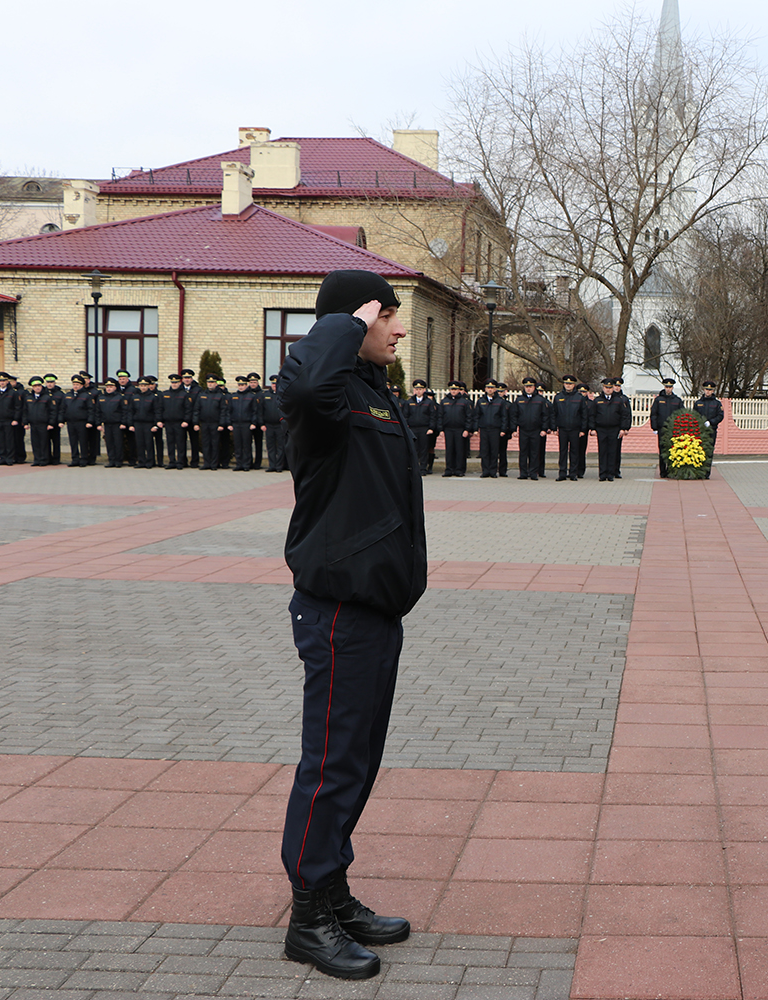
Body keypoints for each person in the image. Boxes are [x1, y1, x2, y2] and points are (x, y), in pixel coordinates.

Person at [277, 269, 425, 981]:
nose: (401, 329)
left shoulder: (370, 393)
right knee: (331, 765)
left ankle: (331, 892)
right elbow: (306, 384)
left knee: (356, 763)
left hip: (374, 609)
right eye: (388, 315)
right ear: (354, 321)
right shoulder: (324, 398)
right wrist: (342, 316)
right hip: (338, 608)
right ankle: (307, 919)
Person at [592, 377, 631, 482]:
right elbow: (592, 415)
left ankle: (610, 474)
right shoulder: (597, 401)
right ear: (603, 388)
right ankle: (602, 474)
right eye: (606, 387)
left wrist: (623, 428)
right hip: (601, 429)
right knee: (602, 451)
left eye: (610, 387)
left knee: (612, 452)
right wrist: (593, 428)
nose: (608, 389)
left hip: (614, 429)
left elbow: (624, 415)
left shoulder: (618, 401)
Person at [512, 377, 551, 479]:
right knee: (523, 452)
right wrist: (514, 429)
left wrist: (544, 429)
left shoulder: (540, 400)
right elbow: (514, 415)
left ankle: (533, 473)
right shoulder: (519, 400)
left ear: (534, 387)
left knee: (534, 452)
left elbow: (545, 416)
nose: (528, 389)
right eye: (526, 387)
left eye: (530, 387)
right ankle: (523, 473)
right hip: (523, 430)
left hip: (536, 430)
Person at [551, 376, 589, 481]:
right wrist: (554, 428)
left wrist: (582, 430)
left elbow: (584, 415)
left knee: (574, 452)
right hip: (562, 429)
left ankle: (573, 473)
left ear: (574, 385)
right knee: (562, 451)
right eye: (566, 384)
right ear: (564, 384)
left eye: (570, 384)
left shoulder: (579, 397)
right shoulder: (558, 397)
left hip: (575, 429)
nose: (568, 385)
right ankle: (562, 473)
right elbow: (554, 413)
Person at [402, 379, 440, 475]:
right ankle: (414, 468)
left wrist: (431, 428)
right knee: (414, 449)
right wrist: (407, 427)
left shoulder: (429, 402)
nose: (418, 391)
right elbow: (405, 415)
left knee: (424, 449)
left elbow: (432, 416)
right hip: (413, 429)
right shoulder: (409, 402)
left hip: (424, 428)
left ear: (424, 390)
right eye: (416, 389)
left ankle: (423, 468)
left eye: (420, 389)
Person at [649, 377, 685, 477]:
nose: (668, 389)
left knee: (673, 450)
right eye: (666, 387)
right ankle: (663, 471)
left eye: (670, 387)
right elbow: (654, 414)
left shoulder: (677, 400)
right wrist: (654, 427)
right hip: (662, 429)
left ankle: (671, 471)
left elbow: (682, 414)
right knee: (662, 450)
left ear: (672, 388)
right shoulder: (659, 400)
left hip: (674, 429)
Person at [438, 380, 473, 477]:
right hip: (448, 429)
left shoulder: (464, 402)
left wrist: (467, 429)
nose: (453, 391)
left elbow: (469, 417)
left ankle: (459, 469)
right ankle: (449, 469)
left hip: (460, 429)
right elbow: (440, 416)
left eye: (455, 389)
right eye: (452, 389)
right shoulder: (444, 401)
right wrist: (440, 429)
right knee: (449, 450)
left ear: (459, 390)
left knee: (460, 450)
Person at [474, 380, 509, 478]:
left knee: (494, 451)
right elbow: (477, 416)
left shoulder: (500, 401)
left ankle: (493, 471)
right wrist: (475, 429)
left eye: (492, 388)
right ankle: (485, 471)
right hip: (484, 429)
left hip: (495, 429)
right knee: (484, 451)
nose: (490, 390)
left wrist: (503, 430)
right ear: (485, 389)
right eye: (488, 388)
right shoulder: (481, 401)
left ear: (495, 389)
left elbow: (504, 417)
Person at [194, 375, 230, 470]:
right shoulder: (202, 395)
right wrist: (196, 423)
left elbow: (223, 411)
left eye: (212, 383)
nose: (210, 384)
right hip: (204, 423)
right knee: (205, 444)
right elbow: (197, 410)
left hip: (215, 423)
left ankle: (214, 464)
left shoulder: (220, 395)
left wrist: (221, 424)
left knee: (215, 444)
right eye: (209, 383)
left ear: (216, 384)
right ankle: (207, 463)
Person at [157, 375, 191, 469]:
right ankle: (172, 461)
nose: (174, 384)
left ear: (180, 383)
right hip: (168, 422)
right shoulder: (165, 394)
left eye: (176, 383)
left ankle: (180, 462)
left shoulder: (184, 394)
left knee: (180, 443)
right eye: (173, 383)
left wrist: (186, 420)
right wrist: (159, 420)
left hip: (180, 423)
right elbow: (160, 408)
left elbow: (188, 409)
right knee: (170, 443)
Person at [227, 375, 261, 472]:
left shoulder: (251, 396)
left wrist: (253, 422)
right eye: (239, 385)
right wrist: (229, 423)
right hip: (236, 424)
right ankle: (239, 464)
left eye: (243, 385)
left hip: (247, 424)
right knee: (237, 445)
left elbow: (255, 411)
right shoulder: (233, 396)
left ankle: (246, 464)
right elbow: (229, 411)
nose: (241, 387)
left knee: (246, 445)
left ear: (247, 385)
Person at [96, 378, 128, 467]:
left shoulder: (120, 397)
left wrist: (123, 423)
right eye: (107, 387)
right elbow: (98, 412)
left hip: (117, 424)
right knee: (109, 443)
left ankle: (118, 461)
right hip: (107, 424)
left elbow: (124, 411)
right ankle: (111, 460)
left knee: (118, 443)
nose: (109, 388)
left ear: (115, 387)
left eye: (111, 387)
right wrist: (98, 424)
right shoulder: (101, 398)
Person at [65, 375, 95, 467]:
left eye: (77, 384)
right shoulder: (68, 396)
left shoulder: (86, 396)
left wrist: (90, 421)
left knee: (83, 441)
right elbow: (63, 409)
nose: (75, 386)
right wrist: (61, 420)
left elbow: (91, 409)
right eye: (74, 384)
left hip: (82, 422)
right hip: (70, 422)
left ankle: (84, 459)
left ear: (82, 385)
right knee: (73, 441)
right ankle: (75, 459)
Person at [263, 375, 288, 473]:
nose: (274, 386)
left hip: (280, 425)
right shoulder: (265, 395)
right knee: (270, 446)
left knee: (281, 446)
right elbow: (261, 410)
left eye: (276, 384)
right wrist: (262, 423)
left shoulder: (283, 395)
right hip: (268, 425)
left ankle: (279, 466)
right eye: (273, 384)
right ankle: (272, 465)